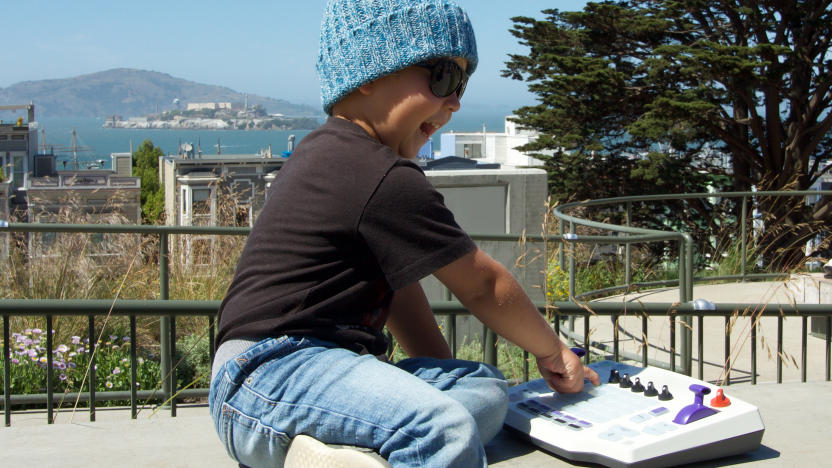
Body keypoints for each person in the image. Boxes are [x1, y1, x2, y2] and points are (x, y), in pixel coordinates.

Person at [208, 1, 600, 467]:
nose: (455, 101)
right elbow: (483, 284)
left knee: (487, 390)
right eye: (443, 79)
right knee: (444, 430)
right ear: (369, 73)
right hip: (271, 372)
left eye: (463, 85)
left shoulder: (335, 155)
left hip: (296, 373)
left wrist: (441, 379)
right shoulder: (377, 175)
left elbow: (402, 292)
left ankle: (340, 452)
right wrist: (552, 349)